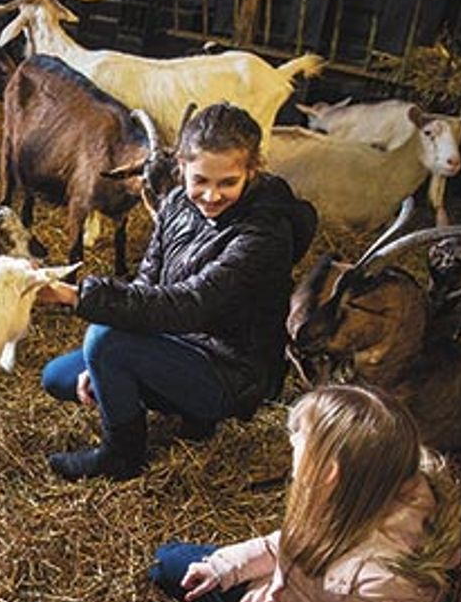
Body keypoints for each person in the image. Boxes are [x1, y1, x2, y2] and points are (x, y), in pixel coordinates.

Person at [38, 102, 317, 480]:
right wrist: (101, 368)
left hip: (230, 370)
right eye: (200, 179)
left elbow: (191, 303)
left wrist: (75, 295)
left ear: (252, 171)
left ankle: (122, 455)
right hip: (176, 343)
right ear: (181, 166)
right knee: (59, 376)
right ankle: (181, 408)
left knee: (104, 339)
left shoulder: (264, 233)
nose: (211, 196)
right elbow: (147, 282)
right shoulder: (176, 205)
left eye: (227, 183)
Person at [139, 385, 461, 602]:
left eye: (299, 442)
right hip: (287, 596)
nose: (291, 445)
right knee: (165, 563)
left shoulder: (382, 582)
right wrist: (223, 568)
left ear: (329, 472)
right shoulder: (360, 495)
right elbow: (288, 544)